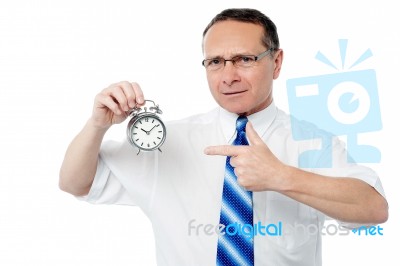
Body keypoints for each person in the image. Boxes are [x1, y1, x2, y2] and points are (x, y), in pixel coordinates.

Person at [59, 8, 388, 266]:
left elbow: (374, 209)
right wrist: (97, 125)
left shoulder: (311, 142)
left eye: (245, 59)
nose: (229, 76)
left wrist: (281, 176)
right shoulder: (167, 142)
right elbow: (76, 183)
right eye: (215, 62)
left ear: (276, 62)